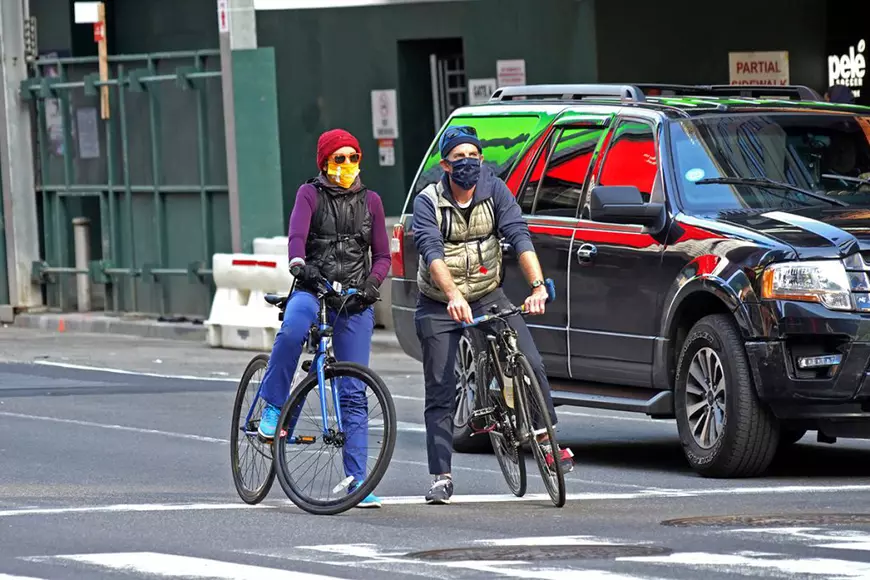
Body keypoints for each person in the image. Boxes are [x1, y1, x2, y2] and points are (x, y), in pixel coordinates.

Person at [411, 125, 575, 505]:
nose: (467, 164)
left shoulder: (495, 191)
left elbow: (519, 235)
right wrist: (452, 296)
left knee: (530, 363)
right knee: (440, 386)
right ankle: (441, 475)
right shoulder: (428, 201)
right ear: (445, 165)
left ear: (481, 160)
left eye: (473, 156)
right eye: (458, 158)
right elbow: (431, 250)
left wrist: (537, 286)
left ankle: (548, 447)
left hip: (487, 293)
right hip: (440, 300)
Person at [256, 128, 391, 508]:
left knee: (353, 389)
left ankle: (357, 481)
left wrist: (371, 284)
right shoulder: (309, 194)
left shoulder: (373, 202)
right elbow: (296, 238)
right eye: (339, 159)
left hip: (352, 299)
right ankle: (272, 403)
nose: (346, 166)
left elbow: (382, 255)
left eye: (352, 158)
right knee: (292, 331)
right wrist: (300, 266)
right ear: (325, 163)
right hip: (313, 288)